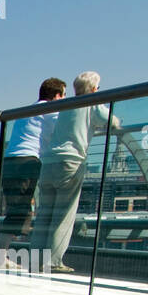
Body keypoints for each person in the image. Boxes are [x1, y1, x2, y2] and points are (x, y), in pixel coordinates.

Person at [32, 71, 118, 274]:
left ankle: (35, 260)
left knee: (44, 213)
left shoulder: (66, 105)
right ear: (95, 88)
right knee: (63, 215)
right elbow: (111, 121)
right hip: (70, 162)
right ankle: (53, 262)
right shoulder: (93, 101)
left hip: (49, 162)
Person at [0, 77, 64, 266]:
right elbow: (66, 126)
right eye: (64, 96)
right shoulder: (50, 111)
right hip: (27, 161)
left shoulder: (28, 111)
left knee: (17, 208)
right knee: (20, 210)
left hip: (10, 160)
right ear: (57, 95)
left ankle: (2, 255)